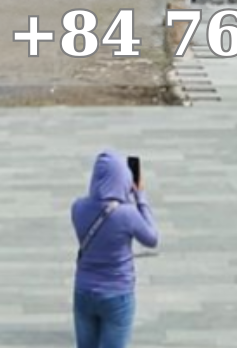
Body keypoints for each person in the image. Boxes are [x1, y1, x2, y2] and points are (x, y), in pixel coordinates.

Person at [69, 148, 158, 348]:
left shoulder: (78, 208)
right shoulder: (127, 214)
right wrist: (140, 198)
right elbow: (152, 238)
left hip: (83, 290)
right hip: (117, 293)